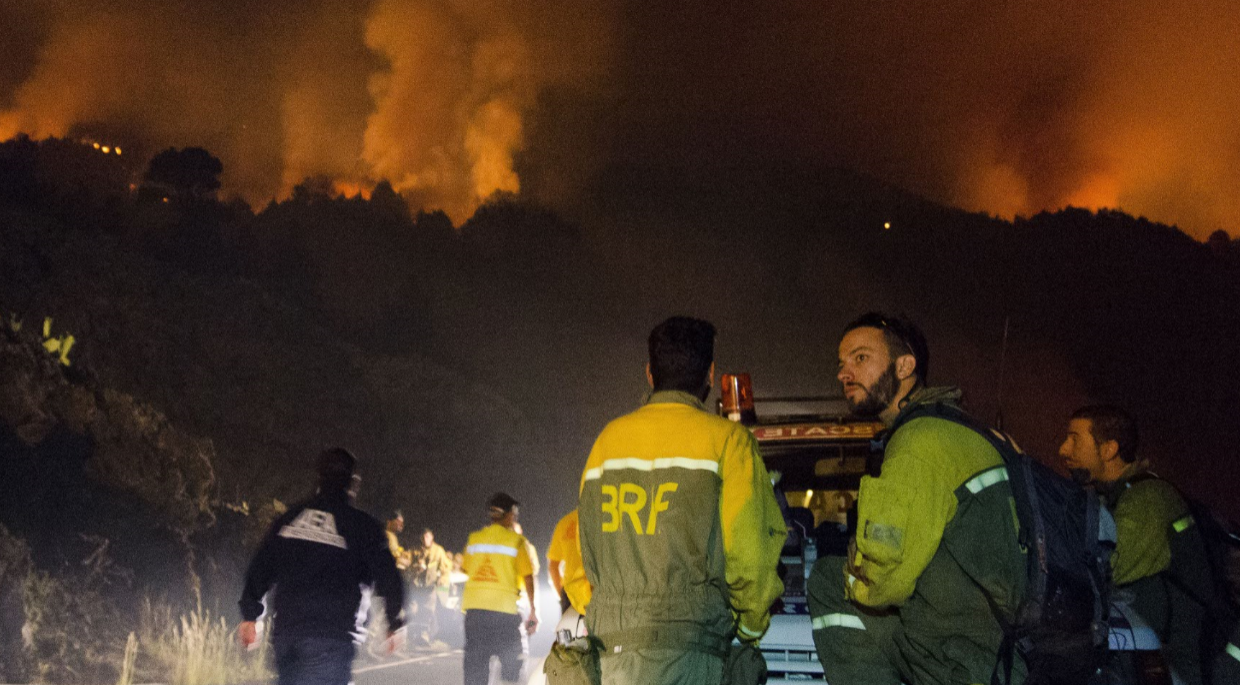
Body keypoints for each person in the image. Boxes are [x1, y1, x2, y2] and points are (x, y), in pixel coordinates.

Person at [807, 312, 1027, 685]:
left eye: (860, 358)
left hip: (967, 658)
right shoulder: (965, 429)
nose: (844, 374)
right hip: (1008, 644)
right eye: (842, 364)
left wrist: (851, 573)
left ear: (905, 365)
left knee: (828, 579)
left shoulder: (918, 443)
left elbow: (880, 583)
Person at [578, 316, 787, 685]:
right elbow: (749, 554)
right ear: (709, 372)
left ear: (648, 372)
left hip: (611, 656)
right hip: (694, 653)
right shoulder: (728, 442)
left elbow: (586, 551)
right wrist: (752, 628)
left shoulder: (605, 443)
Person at [1059, 405, 1223, 685]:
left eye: (1075, 439)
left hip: (1180, 669)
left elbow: (1104, 570)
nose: (1064, 449)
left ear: (1109, 449)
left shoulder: (1147, 501)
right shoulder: (1110, 497)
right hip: (1145, 658)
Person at [238, 448, 405, 685]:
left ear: (318, 477)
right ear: (353, 483)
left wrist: (250, 616)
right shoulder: (362, 527)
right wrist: (394, 620)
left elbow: (262, 565)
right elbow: (388, 575)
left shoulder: (290, 518)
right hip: (332, 638)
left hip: (288, 636)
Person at [461, 492, 539, 685]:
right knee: (513, 665)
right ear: (510, 515)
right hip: (504, 614)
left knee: (475, 667)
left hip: (475, 613)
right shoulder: (516, 541)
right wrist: (533, 610)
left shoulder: (474, 539)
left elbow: (466, 568)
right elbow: (528, 576)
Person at [408, 527, 453, 645]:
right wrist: (415, 567)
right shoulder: (415, 550)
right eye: (423, 537)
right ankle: (412, 635)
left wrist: (442, 580)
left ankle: (423, 636)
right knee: (412, 609)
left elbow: (446, 567)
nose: (425, 539)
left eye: (427, 536)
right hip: (416, 585)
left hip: (430, 586)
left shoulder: (438, 551)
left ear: (432, 537)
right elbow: (407, 564)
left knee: (427, 610)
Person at [546, 509, 591, 615]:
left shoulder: (565, 523)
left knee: (572, 630)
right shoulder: (607, 522)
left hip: (571, 594)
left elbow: (553, 566)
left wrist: (562, 596)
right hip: (599, 592)